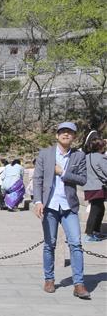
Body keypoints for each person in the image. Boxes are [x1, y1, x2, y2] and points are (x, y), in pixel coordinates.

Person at [33, 122, 89, 300]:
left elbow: (82, 179)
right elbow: (38, 179)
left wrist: (63, 172)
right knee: (50, 244)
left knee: (76, 244)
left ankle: (78, 284)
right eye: (63, 132)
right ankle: (49, 279)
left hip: (69, 206)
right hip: (49, 206)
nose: (66, 134)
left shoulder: (79, 156)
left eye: (70, 132)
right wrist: (38, 201)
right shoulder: (45, 154)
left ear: (74, 137)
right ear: (57, 135)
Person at [82, 137, 107, 242]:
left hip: (89, 188)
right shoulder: (101, 158)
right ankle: (89, 233)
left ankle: (96, 231)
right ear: (100, 147)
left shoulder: (86, 157)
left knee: (100, 209)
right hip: (98, 187)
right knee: (95, 210)